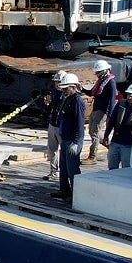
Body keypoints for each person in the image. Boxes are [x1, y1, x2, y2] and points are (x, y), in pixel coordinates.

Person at [53, 72, 86, 200]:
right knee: (64, 167)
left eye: (67, 88)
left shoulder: (77, 101)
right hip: (65, 138)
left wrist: (77, 142)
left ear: (73, 87)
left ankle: (76, 194)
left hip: (72, 139)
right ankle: (64, 190)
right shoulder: (67, 98)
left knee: (73, 168)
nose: (65, 90)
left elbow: (79, 123)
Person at [85, 60, 117, 163]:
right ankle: (109, 145)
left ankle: (92, 156)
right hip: (96, 109)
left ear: (104, 71)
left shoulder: (110, 82)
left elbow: (112, 100)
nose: (97, 74)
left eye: (98, 72)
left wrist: (110, 115)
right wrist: (81, 89)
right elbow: (91, 93)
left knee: (94, 132)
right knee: (92, 131)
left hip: (103, 111)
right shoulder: (100, 82)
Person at [40, 72, 67, 181]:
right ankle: (54, 172)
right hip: (53, 123)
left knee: (64, 151)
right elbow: (49, 110)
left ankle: (64, 173)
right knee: (52, 150)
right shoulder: (54, 92)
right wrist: (47, 104)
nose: (57, 84)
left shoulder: (68, 95)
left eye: (59, 82)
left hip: (62, 126)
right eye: (56, 82)